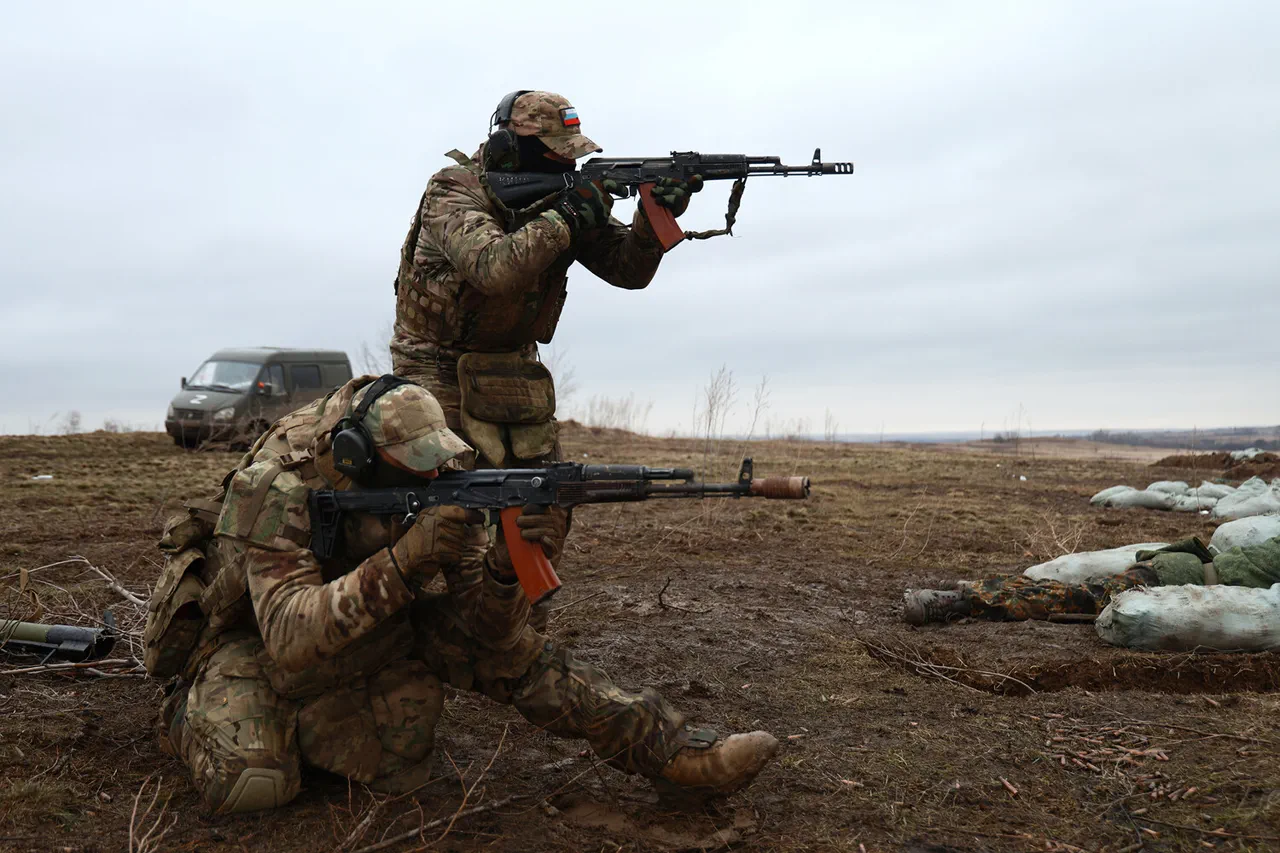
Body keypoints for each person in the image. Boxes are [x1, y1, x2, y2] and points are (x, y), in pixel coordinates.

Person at [148, 375, 777, 814]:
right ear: (356, 454)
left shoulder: (443, 478)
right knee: (254, 788)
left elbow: (495, 634)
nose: (434, 475)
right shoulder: (279, 484)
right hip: (246, 644)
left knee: (484, 684)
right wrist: (406, 559)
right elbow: (289, 637)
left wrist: (507, 569)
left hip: (372, 626)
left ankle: (672, 751)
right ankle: (187, 714)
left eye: (437, 463)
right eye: (413, 465)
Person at [389, 91, 703, 625]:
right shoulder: (453, 192)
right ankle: (415, 620)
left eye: (572, 155)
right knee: (446, 509)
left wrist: (654, 220)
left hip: (512, 366)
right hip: (434, 368)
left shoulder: (565, 198)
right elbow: (493, 267)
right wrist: (571, 213)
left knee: (545, 500)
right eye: (556, 154)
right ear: (511, 146)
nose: (568, 164)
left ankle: (512, 627)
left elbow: (628, 270)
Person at [902, 535, 1280, 625]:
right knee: (1078, 599)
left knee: (1079, 593)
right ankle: (959, 602)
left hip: (1176, 563)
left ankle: (976, 589)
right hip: (1175, 577)